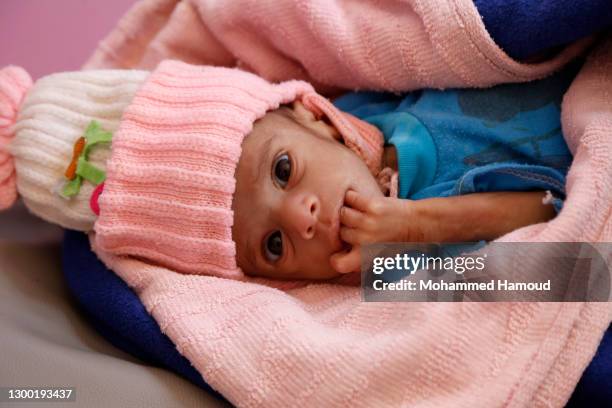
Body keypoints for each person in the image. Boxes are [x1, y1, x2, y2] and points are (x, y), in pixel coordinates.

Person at [0, 60, 572, 281]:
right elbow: (572, 262)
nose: (301, 218)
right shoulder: (398, 274)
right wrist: (419, 228)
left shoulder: (382, 100)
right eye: (272, 245)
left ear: (313, 115)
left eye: (281, 170)